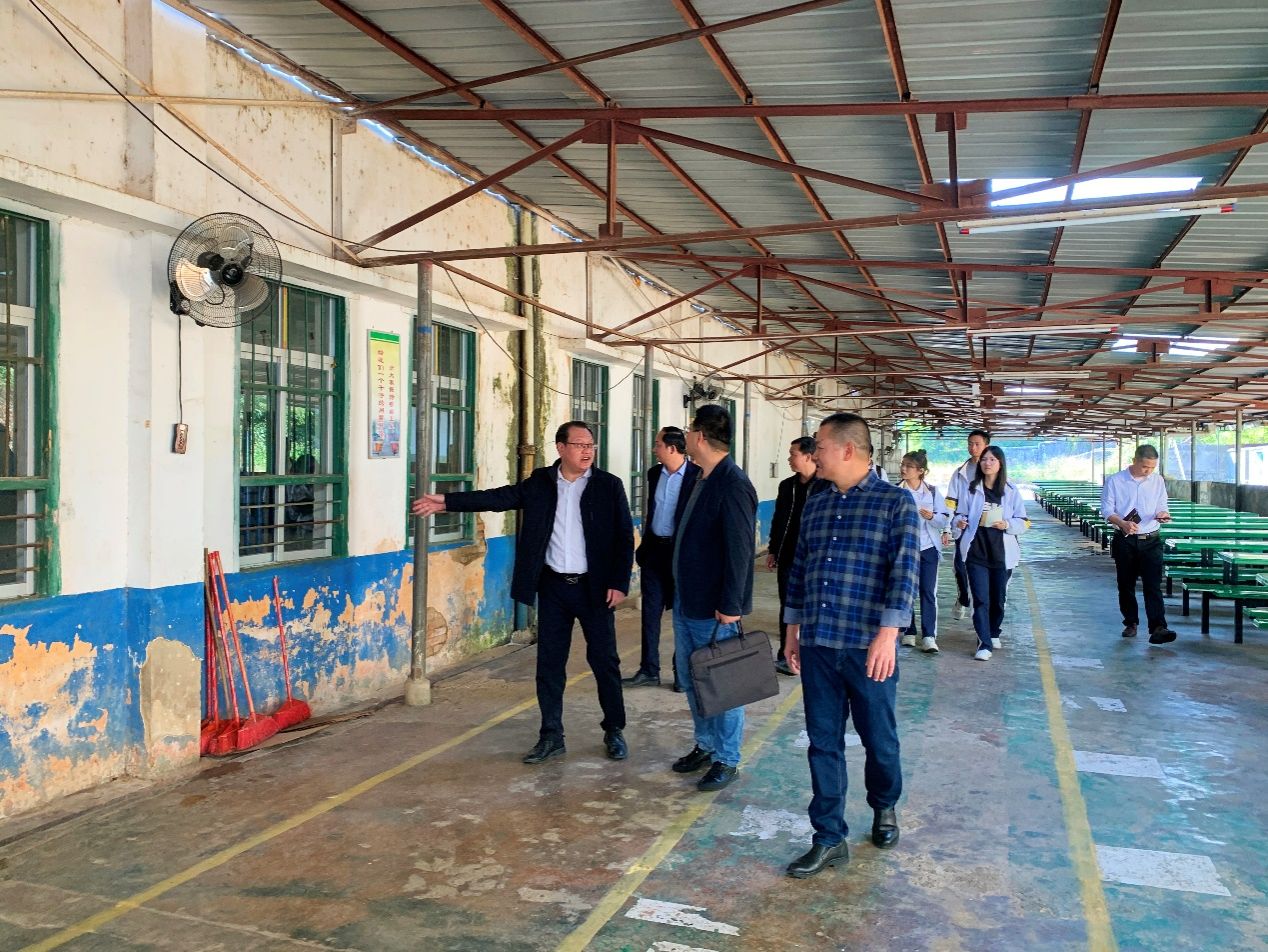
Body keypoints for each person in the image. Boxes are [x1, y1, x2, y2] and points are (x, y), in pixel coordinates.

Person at [412, 422, 635, 764]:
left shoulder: (608, 485)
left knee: (605, 662)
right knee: (549, 664)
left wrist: (619, 583)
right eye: (579, 445)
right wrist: (446, 502)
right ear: (561, 448)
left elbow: (623, 537)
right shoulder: (541, 482)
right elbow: (499, 498)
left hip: (594, 589)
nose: (587, 451)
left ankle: (614, 729)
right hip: (554, 586)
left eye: (590, 445)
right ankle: (551, 735)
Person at [783, 413, 918, 879]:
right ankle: (828, 837)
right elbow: (800, 568)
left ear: (846, 449)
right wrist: (792, 629)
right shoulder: (816, 502)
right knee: (822, 743)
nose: (813, 454)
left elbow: (904, 573)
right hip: (820, 642)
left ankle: (884, 805)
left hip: (867, 647)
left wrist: (888, 635)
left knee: (879, 739)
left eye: (819, 446)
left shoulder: (894, 503)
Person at [670, 404, 758, 793]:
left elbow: (740, 551)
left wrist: (731, 606)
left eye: (689, 430)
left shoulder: (733, 484)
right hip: (688, 600)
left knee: (722, 686)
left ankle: (727, 758)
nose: (686, 436)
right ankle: (705, 746)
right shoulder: (699, 477)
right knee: (693, 679)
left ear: (700, 436)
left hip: (716, 609)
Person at [624, 426, 700, 689]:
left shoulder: (697, 476)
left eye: (657, 444)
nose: (654, 448)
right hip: (654, 552)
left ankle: (682, 673)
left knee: (681, 615)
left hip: (681, 556)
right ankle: (649, 670)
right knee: (650, 613)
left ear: (671, 448)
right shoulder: (654, 474)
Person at [952, 446, 1029, 661]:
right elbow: (959, 514)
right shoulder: (971, 489)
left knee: (998, 600)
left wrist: (1007, 524)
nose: (987, 463)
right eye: (984, 460)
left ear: (1000, 463)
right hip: (976, 552)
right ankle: (984, 643)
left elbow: (1023, 521)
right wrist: (959, 522)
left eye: (992, 460)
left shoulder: (1011, 490)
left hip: (1001, 554)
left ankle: (994, 631)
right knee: (980, 600)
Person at [1100, 444, 1176, 644]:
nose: (1148, 471)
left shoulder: (1157, 480)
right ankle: (1131, 622)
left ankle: (1158, 627)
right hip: (1125, 539)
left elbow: (1162, 504)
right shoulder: (1115, 480)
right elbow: (1106, 510)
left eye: (1152, 467)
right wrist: (1122, 523)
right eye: (1144, 467)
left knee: (1153, 584)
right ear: (1134, 461)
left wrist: (1162, 514)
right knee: (1126, 583)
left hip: (1151, 539)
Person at [768, 437, 828, 675]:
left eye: (793, 454)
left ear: (808, 456)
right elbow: (778, 519)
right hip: (788, 557)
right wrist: (773, 549)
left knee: (814, 606)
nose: (789, 458)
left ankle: (811, 656)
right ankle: (786, 655)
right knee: (788, 606)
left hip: (815, 559)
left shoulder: (825, 486)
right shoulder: (787, 486)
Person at [897, 450, 948, 653]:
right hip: (905, 549)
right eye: (903, 464)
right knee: (906, 591)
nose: (903, 469)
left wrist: (932, 517)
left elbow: (944, 519)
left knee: (928, 592)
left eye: (908, 466)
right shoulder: (896, 491)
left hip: (928, 548)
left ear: (921, 471)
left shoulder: (933, 492)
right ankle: (909, 631)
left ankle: (929, 636)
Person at [945, 429, 990, 620]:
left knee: (984, 567)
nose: (973, 447)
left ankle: (982, 607)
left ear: (986, 445)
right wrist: (950, 525)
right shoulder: (959, 473)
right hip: (963, 524)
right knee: (960, 565)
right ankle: (963, 597)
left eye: (977, 444)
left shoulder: (992, 470)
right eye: (970, 443)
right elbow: (950, 501)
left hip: (987, 526)